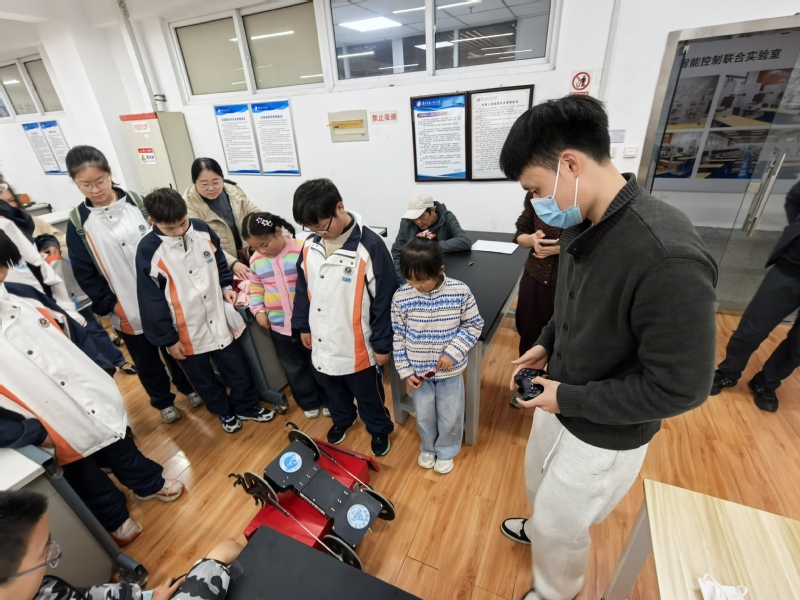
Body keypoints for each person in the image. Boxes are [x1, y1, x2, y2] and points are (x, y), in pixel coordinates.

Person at [496, 96, 717, 600]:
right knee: (538, 486)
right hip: (558, 395)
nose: (536, 203)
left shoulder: (667, 255)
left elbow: (681, 389)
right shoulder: (582, 221)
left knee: (564, 523)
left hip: (605, 429)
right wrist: (547, 343)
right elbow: (572, 304)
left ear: (570, 164)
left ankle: (557, 589)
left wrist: (568, 397)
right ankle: (542, 530)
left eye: (535, 189)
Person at [0, 236, 184, 546]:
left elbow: (74, 328)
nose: (2, 276)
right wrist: (28, 433)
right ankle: (114, 517)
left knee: (120, 445)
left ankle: (148, 483)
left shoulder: (22, 294)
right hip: (46, 422)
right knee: (84, 474)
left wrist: (101, 368)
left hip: (88, 393)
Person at [65, 145, 201, 424]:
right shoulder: (79, 222)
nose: (95, 189)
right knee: (145, 358)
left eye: (100, 181)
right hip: (125, 304)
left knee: (177, 347)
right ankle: (163, 401)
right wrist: (111, 305)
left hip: (164, 296)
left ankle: (189, 387)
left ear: (110, 174)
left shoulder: (138, 204)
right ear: (75, 183)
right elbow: (84, 272)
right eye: (85, 185)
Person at [136, 188, 275, 434]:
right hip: (185, 328)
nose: (180, 231)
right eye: (171, 228)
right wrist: (168, 340)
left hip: (217, 315)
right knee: (203, 377)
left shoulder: (200, 229)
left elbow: (219, 259)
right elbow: (150, 300)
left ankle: (246, 405)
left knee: (237, 367)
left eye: (183, 223)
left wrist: (225, 285)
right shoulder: (148, 249)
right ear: (153, 221)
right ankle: (224, 411)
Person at [292, 178, 397, 456]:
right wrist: (302, 325)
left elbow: (385, 299)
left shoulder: (370, 246)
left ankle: (379, 428)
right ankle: (343, 418)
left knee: (368, 394)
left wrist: (383, 344)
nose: (318, 233)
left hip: (357, 344)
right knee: (332, 388)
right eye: (310, 228)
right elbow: (302, 288)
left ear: (339, 208)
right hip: (321, 338)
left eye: (321, 226)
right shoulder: (309, 245)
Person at [0, 489, 241, 600]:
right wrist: (214, 564)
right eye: (46, 551)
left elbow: (86, 596)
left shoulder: (42, 588)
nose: (53, 554)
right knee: (221, 555)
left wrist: (141, 596)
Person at [391, 233, 483, 474]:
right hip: (419, 373)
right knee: (423, 414)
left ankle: (446, 449)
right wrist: (405, 370)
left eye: (422, 280)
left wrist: (453, 352)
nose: (416, 286)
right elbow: (398, 336)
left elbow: (473, 325)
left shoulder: (460, 291)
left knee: (450, 414)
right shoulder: (401, 296)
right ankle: (428, 446)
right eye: (410, 279)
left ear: (440, 269)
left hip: (450, 372)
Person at [711, 179, 800, 411]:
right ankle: (728, 372)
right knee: (752, 328)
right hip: (791, 269)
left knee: (798, 346)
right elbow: (794, 197)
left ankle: (766, 383)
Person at [242, 212, 330, 420]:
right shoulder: (256, 260)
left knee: (320, 365)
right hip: (279, 326)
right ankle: (308, 401)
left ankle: (329, 399)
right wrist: (258, 310)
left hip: (309, 324)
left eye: (264, 244)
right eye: (255, 247)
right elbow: (255, 288)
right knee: (294, 368)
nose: (261, 251)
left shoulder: (303, 249)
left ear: (278, 231)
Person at [510, 192, 562, 408]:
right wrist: (531, 239)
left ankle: (558, 387)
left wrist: (562, 248)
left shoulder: (582, 198)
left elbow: (594, 239)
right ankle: (527, 385)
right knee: (529, 331)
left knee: (564, 337)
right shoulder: (535, 196)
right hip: (535, 276)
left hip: (568, 280)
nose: (535, 193)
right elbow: (520, 233)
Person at [184, 157, 261, 280]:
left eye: (216, 182)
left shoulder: (233, 191)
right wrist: (233, 263)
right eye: (204, 184)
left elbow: (255, 214)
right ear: (195, 182)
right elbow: (202, 242)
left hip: (247, 255)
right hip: (218, 263)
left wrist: (268, 231)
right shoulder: (189, 204)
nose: (211, 188)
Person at [391, 193, 471, 284]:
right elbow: (397, 251)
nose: (418, 222)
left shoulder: (447, 218)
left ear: (433, 211)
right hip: (414, 276)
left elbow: (464, 241)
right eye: (414, 218)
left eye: (422, 216)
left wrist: (431, 247)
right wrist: (403, 278)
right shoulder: (406, 223)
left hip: (440, 273)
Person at [0, 180, 64, 254]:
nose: (7, 206)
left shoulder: (33, 221)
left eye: (11, 200)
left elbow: (62, 242)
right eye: (1, 203)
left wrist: (52, 247)